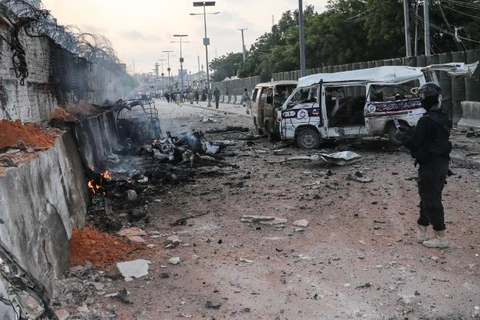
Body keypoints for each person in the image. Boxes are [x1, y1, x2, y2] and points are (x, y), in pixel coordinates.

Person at [396, 82, 452, 248]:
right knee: (428, 196)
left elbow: (415, 144)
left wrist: (403, 138)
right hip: (442, 164)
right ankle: (422, 230)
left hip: (430, 165)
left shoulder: (425, 120)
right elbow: (432, 138)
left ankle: (441, 237)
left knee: (431, 198)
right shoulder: (444, 117)